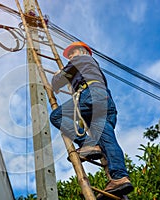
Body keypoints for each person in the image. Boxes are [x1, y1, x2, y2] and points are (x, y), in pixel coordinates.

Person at [49, 41, 134, 198]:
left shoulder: (80, 60)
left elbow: (59, 79)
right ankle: (119, 178)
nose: (71, 57)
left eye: (72, 53)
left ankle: (88, 144)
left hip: (90, 95)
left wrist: (56, 78)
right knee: (107, 139)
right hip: (105, 100)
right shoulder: (93, 67)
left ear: (82, 51)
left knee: (57, 116)